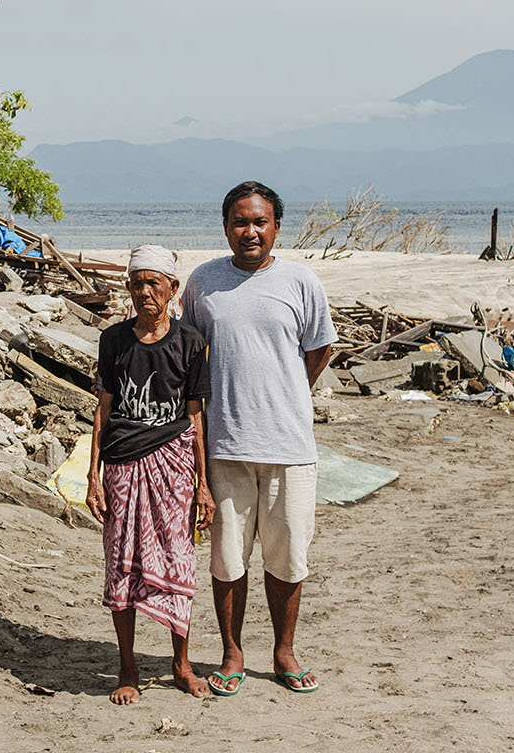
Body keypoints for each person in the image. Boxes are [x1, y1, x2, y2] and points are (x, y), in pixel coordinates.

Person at [180, 181, 335, 698]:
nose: (250, 231)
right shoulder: (203, 284)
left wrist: (286, 394)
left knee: (287, 556)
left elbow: (318, 348)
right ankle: (232, 652)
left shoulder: (300, 281)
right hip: (224, 447)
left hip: (290, 447)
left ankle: (284, 651)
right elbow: (189, 355)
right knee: (227, 557)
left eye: (260, 222)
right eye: (240, 222)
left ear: (275, 228)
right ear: (225, 227)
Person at [86, 244, 214, 704]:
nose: (145, 292)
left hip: (174, 465)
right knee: (121, 563)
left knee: (179, 558)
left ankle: (181, 664)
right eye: (137, 283)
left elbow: (196, 415)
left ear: (173, 289)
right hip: (122, 464)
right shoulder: (113, 340)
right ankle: (128, 667)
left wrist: (204, 485)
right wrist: (92, 475)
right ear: (128, 288)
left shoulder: (190, 342)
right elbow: (102, 408)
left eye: (153, 283)